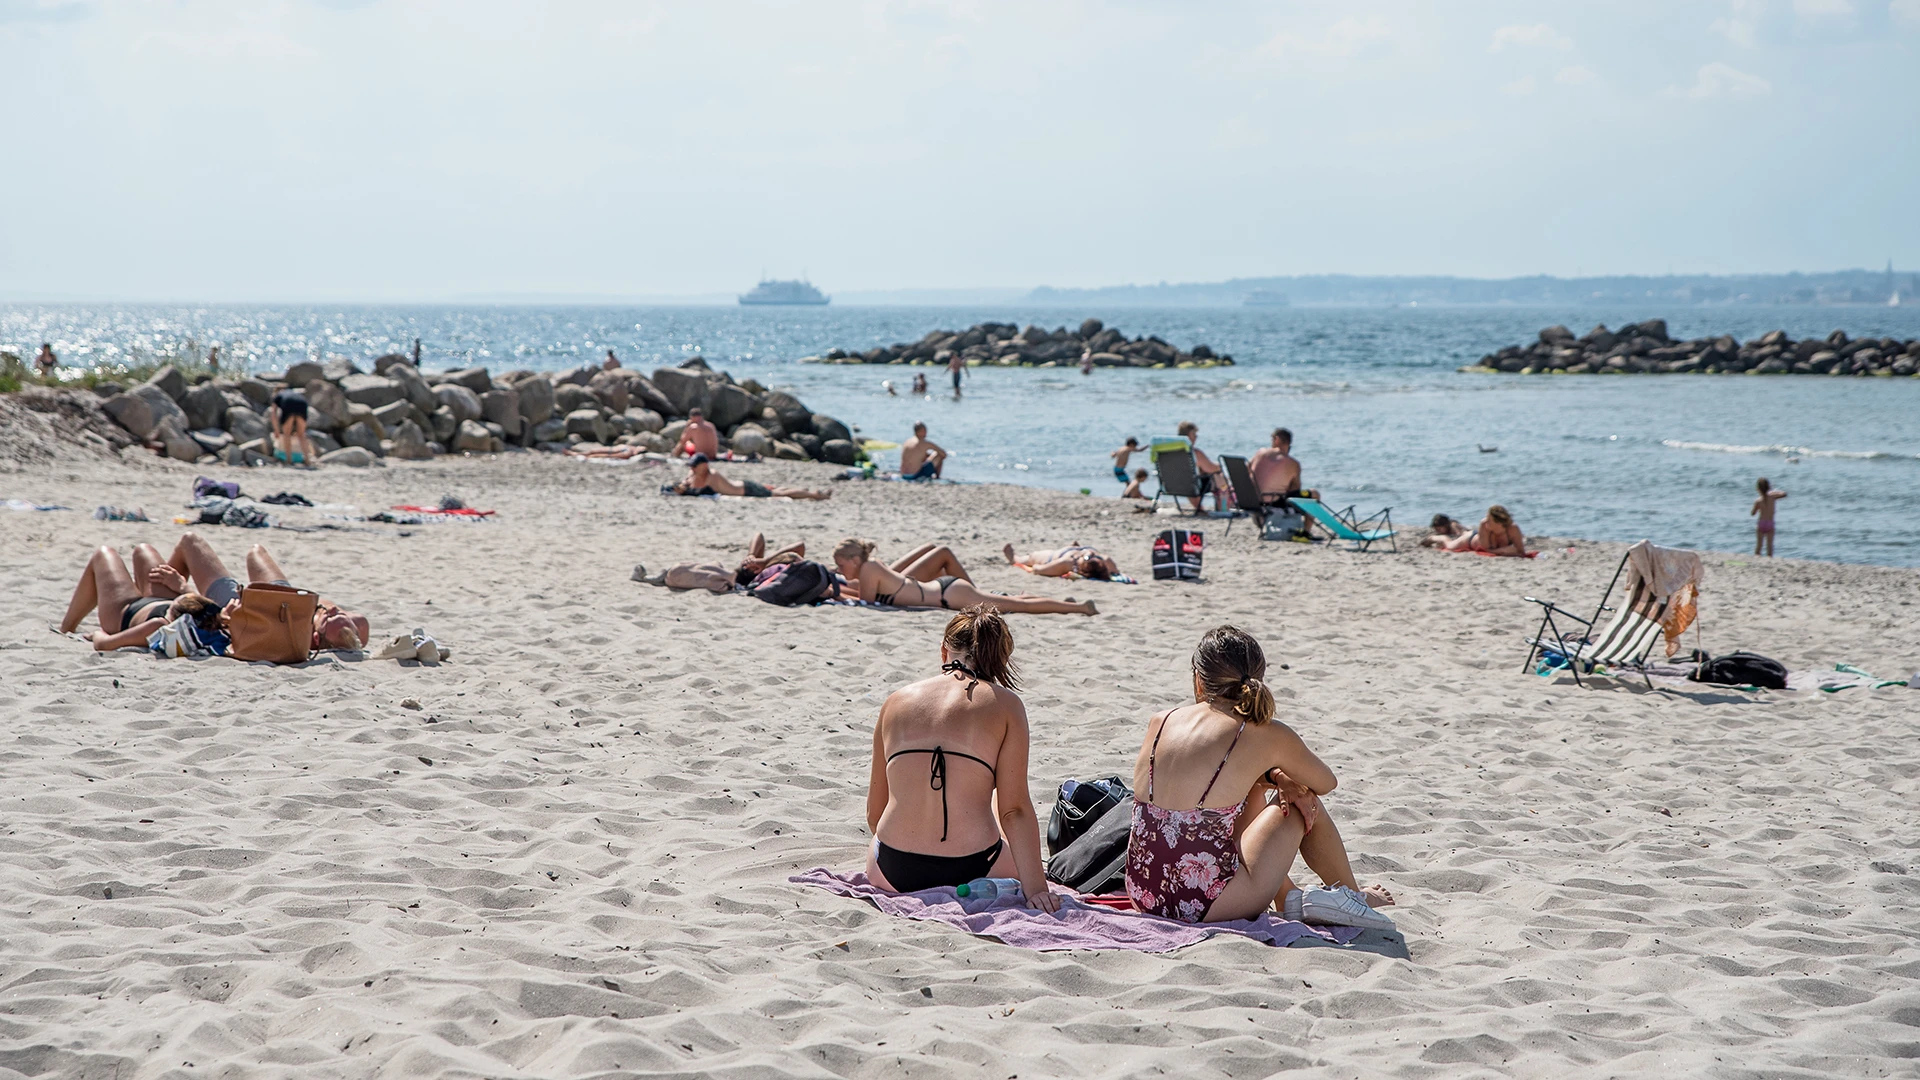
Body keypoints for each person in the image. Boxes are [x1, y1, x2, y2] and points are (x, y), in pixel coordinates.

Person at [1124, 625, 1395, 928]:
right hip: (1205, 905)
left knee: (1250, 789)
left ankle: (1288, 896)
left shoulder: (1161, 720)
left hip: (1144, 893)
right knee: (1302, 798)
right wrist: (1286, 781)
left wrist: (1276, 777)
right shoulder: (1263, 734)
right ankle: (1353, 897)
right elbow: (1325, 783)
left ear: (1199, 681)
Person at [864, 606, 1060, 911]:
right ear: (1000, 659)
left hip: (891, 869)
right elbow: (1014, 811)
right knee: (998, 798)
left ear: (944, 651)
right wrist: (1036, 890)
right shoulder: (1006, 706)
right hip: (972, 868)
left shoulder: (895, 701)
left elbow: (875, 814)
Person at [161, 533, 368, 650]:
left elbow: (225, 625)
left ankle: (161, 600)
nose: (330, 611)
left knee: (190, 541)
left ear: (315, 638)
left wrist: (183, 588)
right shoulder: (356, 627)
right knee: (256, 551)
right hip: (286, 598)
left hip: (238, 607)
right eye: (338, 612)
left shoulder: (283, 642)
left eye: (328, 618)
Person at [834, 539, 1095, 615]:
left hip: (951, 595)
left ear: (855, 560)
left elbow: (865, 602)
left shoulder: (868, 570)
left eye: (841, 565)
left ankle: (1079, 607)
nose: (840, 569)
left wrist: (833, 592)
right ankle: (1068, 603)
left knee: (1019, 607)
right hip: (943, 590)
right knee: (1015, 602)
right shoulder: (872, 567)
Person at [58, 544, 224, 651]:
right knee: (143, 550)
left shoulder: (158, 625)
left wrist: (96, 634)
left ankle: (67, 627)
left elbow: (104, 644)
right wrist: (181, 586)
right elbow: (196, 604)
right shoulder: (212, 617)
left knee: (103, 553)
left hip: (124, 612)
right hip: (160, 602)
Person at [672, 454, 830, 500]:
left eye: (694, 466)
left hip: (746, 490)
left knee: (779, 494)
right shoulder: (693, 473)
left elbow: (700, 490)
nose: (691, 468)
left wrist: (684, 489)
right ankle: (805, 491)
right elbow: (687, 483)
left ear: (704, 465)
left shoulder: (712, 475)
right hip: (743, 486)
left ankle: (814, 495)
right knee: (778, 490)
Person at [1249, 428, 1319, 504]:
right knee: (1315, 493)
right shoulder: (1294, 463)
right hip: (1275, 502)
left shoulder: (1260, 452)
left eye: (1272, 440)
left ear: (1276, 439)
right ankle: (1308, 516)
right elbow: (1295, 490)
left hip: (1252, 499)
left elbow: (1246, 470)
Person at [1439, 505, 1526, 557]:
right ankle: (1438, 538)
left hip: (1478, 536)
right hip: (1471, 539)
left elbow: (1521, 551)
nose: (1486, 520)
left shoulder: (1513, 529)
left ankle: (1457, 526)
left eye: (1489, 519)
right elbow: (1486, 550)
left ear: (1498, 523)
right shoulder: (1484, 524)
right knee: (1449, 546)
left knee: (1463, 533)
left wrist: (1509, 550)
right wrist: (1504, 550)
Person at [1003, 542, 1121, 580]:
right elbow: (1115, 571)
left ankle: (1013, 558)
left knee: (1024, 559)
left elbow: (1038, 570)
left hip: (1048, 558)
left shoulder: (1068, 563)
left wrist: (1031, 568)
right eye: (1093, 555)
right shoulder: (1105, 560)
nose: (1089, 553)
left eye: (1086, 558)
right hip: (1067, 552)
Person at [1177, 421, 1225, 512]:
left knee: (1188, 479)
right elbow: (1212, 468)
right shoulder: (1194, 453)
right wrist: (1219, 466)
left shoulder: (1170, 453)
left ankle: (1199, 508)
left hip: (1171, 485)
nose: (1196, 437)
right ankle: (1223, 507)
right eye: (1194, 434)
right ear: (1187, 436)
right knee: (1218, 475)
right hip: (1192, 487)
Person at [268, 386, 315, 466]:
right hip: (302, 404)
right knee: (301, 435)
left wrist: (276, 430)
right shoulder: (294, 393)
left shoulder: (278, 396)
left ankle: (289, 460)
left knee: (287, 434)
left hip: (288, 404)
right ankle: (307, 460)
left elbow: (273, 414)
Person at [1752, 478, 1786, 557]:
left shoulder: (1758, 500)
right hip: (1770, 524)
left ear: (1758, 489)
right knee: (1769, 545)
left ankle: (1756, 558)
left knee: (1759, 545)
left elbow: (1753, 513)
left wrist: (1759, 509)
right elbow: (1784, 494)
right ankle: (1769, 558)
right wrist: (1774, 492)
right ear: (1769, 487)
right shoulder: (1773, 498)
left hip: (1761, 523)